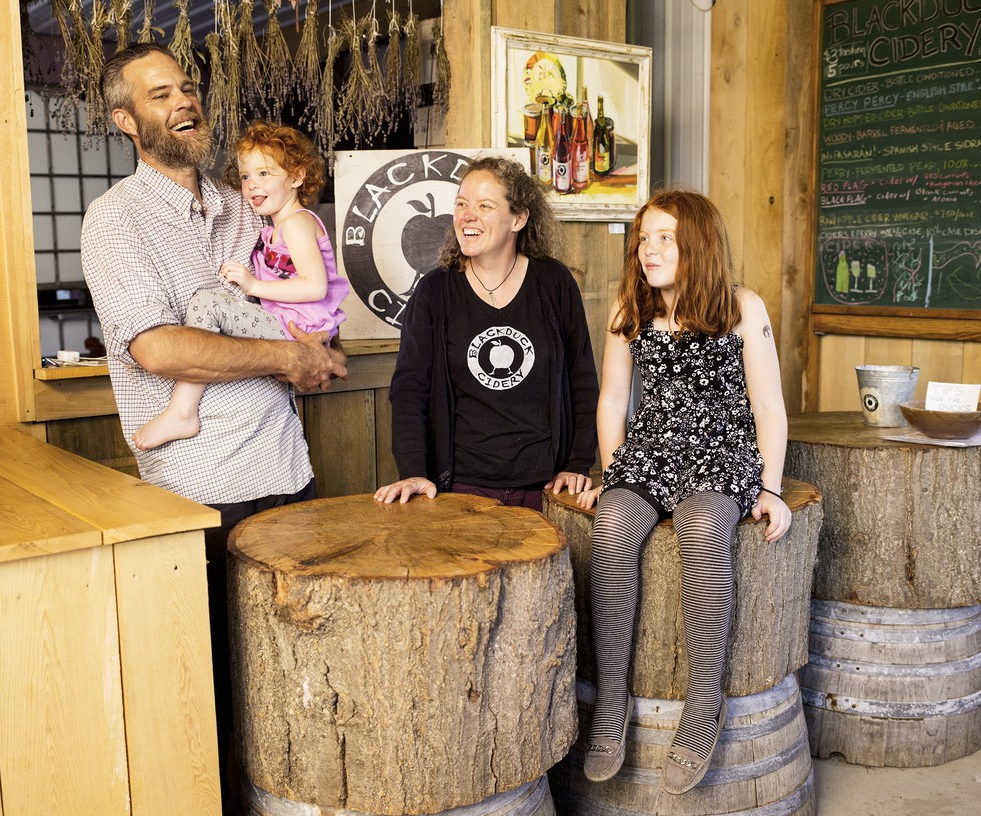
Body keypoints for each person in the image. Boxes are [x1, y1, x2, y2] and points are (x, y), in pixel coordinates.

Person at [80, 43, 346, 813]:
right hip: (201, 490)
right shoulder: (116, 220)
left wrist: (308, 343)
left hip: (288, 473)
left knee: (301, 676)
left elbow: (301, 299)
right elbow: (157, 346)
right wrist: (287, 356)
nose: (184, 101)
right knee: (219, 689)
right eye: (160, 94)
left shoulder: (245, 204)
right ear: (127, 121)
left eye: (188, 86)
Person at [575, 190, 791, 793]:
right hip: (653, 452)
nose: (649, 249)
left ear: (697, 243)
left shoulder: (741, 308)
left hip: (722, 454)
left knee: (701, 524)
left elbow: (768, 406)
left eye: (665, 237)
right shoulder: (632, 308)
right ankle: (611, 698)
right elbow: (614, 399)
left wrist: (770, 488)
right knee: (614, 518)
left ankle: (703, 704)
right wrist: (614, 468)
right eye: (644, 237)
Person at [374, 155, 598, 510]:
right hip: (459, 486)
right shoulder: (435, 291)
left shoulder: (553, 283)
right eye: (461, 203)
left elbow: (582, 378)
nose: (467, 215)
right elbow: (409, 390)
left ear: (519, 218)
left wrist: (577, 462)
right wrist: (414, 470)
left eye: (484, 205)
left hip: (545, 486)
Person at [131, 120, 349, 451]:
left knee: (208, 305)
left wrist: (252, 284)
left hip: (295, 328)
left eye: (265, 174)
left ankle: (182, 410)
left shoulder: (298, 223)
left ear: (297, 176)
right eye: (246, 176)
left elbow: (315, 287)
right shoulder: (272, 227)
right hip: (288, 325)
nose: (252, 185)